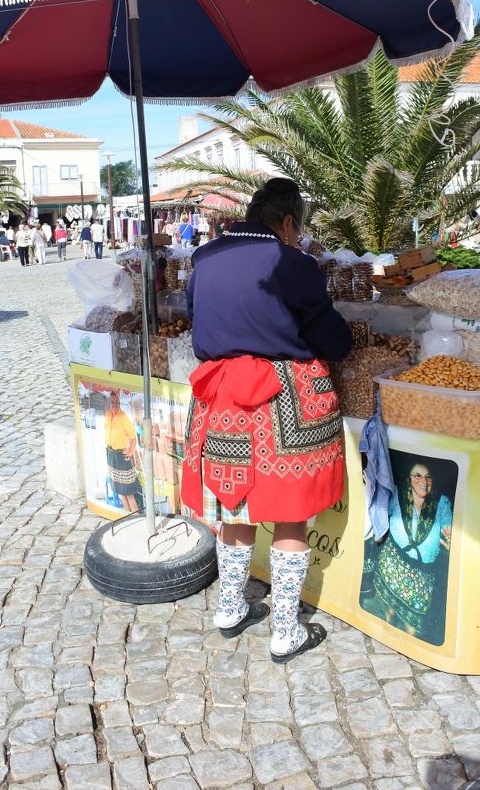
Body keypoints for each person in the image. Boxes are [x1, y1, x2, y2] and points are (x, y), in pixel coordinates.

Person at [182, 177, 352, 662]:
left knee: (234, 510)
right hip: (284, 402)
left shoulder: (204, 258)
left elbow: (197, 320)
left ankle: (230, 608)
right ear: (287, 222)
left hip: (221, 403)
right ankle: (285, 630)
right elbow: (332, 337)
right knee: (291, 517)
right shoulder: (294, 264)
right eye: (298, 229)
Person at [372, 462, 452, 640]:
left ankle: (408, 650)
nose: (423, 481)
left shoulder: (441, 502)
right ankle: (387, 638)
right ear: (409, 479)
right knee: (391, 611)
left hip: (423, 574)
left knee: (413, 626)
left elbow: (448, 524)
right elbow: (379, 513)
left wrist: (449, 533)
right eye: (417, 475)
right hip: (395, 562)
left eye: (428, 476)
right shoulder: (397, 494)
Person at [104, 391, 141, 513]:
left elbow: (133, 438)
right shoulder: (108, 414)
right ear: (109, 403)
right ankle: (128, 516)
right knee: (120, 491)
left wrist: (130, 452)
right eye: (112, 402)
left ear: (119, 403)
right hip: (111, 455)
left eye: (116, 402)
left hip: (121, 456)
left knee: (128, 492)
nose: (114, 404)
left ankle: (135, 517)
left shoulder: (123, 416)